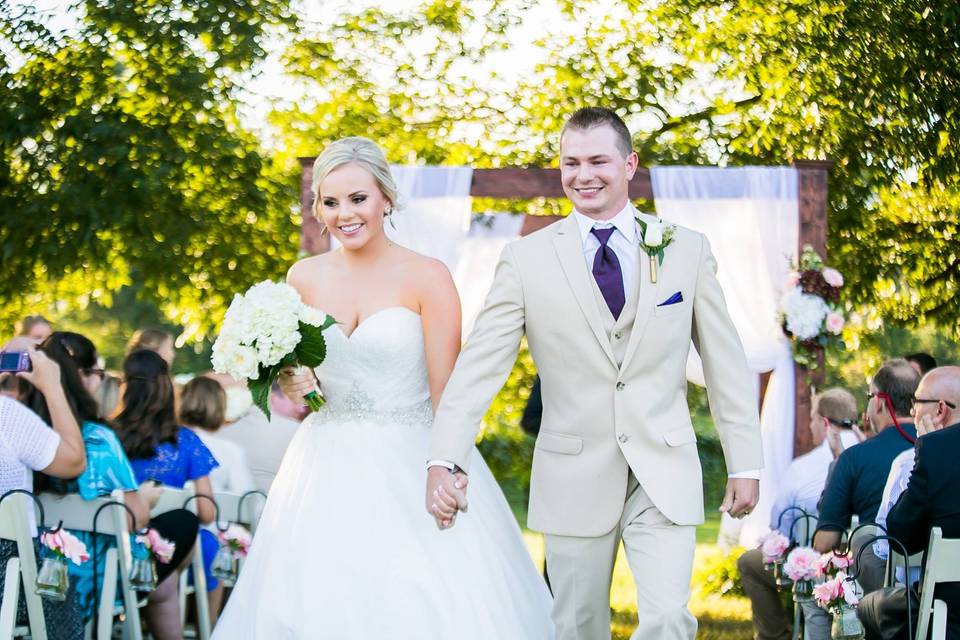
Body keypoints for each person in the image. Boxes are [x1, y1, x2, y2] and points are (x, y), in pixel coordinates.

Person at [427, 107, 763, 640]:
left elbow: (725, 364)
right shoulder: (525, 259)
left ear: (629, 164)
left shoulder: (686, 249)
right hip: (573, 472)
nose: (584, 175)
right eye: (571, 163)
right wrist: (444, 457)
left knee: (668, 619)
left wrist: (746, 462)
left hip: (663, 465)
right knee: (578, 625)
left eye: (598, 161)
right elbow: (479, 368)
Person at [213, 136, 554, 638]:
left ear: (386, 199)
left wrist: (449, 468)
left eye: (358, 199)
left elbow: (448, 393)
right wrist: (295, 382)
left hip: (414, 455)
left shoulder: (428, 277)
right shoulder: (302, 276)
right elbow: (309, 396)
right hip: (323, 462)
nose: (344, 214)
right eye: (330, 202)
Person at [23, 333, 198, 638]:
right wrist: (145, 497)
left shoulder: (24, 429)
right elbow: (136, 517)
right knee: (183, 521)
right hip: (93, 580)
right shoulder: (98, 439)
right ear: (83, 378)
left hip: (31, 572)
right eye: (98, 375)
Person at [739, 388, 860, 640]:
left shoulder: (802, 468)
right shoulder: (871, 454)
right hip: (863, 564)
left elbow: (780, 524)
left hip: (813, 567)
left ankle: (775, 635)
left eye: (813, 419)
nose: (810, 426)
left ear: (825, 422)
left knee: (749, 563)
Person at [114, 350, 224, 624]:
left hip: (115, 544)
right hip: (170, 549)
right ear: (166, 389)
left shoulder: (109, 436)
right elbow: (207, 512)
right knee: (196, 545)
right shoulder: (186, 441)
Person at [858, 365, 960, 640]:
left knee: (869, 606)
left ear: (940, 410)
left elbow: (900, 539)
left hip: (946, 617)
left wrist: (923, 454)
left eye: (918, 402)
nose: (912, 411)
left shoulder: (934, 450)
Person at [0, 342, 85, 640]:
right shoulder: (6, 416)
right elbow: (73, 461)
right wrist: (52, 386)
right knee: (59, 595)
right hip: (6, 587)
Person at [812, 359, 920, 592]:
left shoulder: (854, 458)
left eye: (869, 397)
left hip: (880, 590)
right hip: (938, 588)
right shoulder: (943, 451)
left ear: (880, 402)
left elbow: (825, 541)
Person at [216, 382, 303, 494]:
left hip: (232, 507)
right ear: (272, 398)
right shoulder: (298, 431)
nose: (302, 408)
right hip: (276, 506)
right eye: (295, 401)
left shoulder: (221, 433)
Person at [179, 377, 255, 496]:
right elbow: (247, 502)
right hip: (214, 512)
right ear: (220, 407)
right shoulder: (230, 451)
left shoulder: (162, 443)